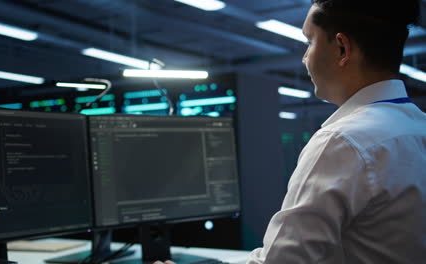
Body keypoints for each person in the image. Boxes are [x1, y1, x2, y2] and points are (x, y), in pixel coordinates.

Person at [157, 0, 426, 263]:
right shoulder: (418, 126)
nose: (305, 57)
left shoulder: (343, 141)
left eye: (310, 42)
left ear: (342, 49)